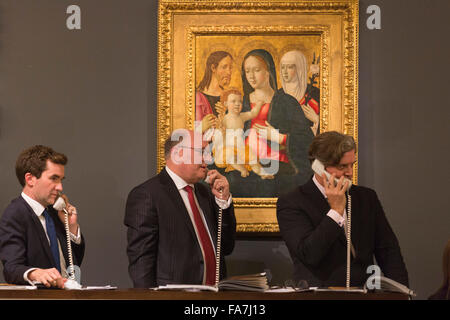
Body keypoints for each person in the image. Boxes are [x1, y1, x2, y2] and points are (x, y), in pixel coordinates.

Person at [276, 131, 409, 287]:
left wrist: (402, 293)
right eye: (342, 166)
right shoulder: (292, 202)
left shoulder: (366, 198)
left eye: (352, 164)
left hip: (364, 292)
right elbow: (309, 254)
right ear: (318, 166)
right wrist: (336, 211)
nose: (350, 172)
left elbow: (388, 250)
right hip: (318, 294)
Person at [124, 129, 236, 288]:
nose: (207, 159)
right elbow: (141, 261)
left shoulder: (206, 194)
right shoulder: (147, 195)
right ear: (178, 154)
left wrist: (223, 201)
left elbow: (226, 246)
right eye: (202, 152)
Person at [230, 49, 313, 197]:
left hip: (280, 167)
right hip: (246, 166)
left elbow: (307, 140)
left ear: (268, 71)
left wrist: (280, 138)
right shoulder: (239, 103)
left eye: (256, 70)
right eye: (247, 71)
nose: (251, 76)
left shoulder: (287, 102)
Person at [0, 145, 85, 288]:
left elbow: (74, 264)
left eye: (61, 180)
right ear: (30, 179)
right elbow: (11, 268)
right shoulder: (15, 214)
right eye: (54, 178)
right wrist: (35, 273)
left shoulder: (55, 212)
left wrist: (71, 227)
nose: (60, 187)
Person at [213, 88, 273, 179]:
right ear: (226, 104)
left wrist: (259, 104)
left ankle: (263, 173)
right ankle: (242, 169)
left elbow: (253, 113)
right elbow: (218, 136)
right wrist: (221, 130)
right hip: (227, 148)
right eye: (233, 101)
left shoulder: (242, 117)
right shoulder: (224, 119)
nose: (237, 104)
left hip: (240, 148)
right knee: (230, 155)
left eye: (240, 102)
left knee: (252, 156)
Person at [279, 50, 320, 135]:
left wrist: (317, 119)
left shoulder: (314, 93)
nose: (285, 71)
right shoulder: (279, 95)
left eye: (290, 67)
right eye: (283, 67)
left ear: (299, 68)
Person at [196, 51, 233, 133]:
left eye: (230, 68)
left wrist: (227, 115)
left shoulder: (229, 96)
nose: (229, 72)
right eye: (224, 67)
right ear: (213, 68)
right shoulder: (198, 96)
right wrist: (201, 128)